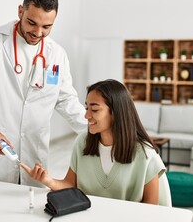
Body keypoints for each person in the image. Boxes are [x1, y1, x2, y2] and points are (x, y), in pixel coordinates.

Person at [0, 0, 87, 187]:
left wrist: (94, 129)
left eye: (47, 27)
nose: (38, 32)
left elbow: (66, 100)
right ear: (21, 10)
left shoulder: (57, 54)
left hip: (33, 154)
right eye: (31, 22)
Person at [21, 79, 166, 204]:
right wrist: (48, 180)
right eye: (86, 108)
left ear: (116, 113)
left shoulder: (146, 154)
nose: (86, 115)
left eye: (95, 110)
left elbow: (150, 209)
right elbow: (70, 184)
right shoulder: (82, 142)